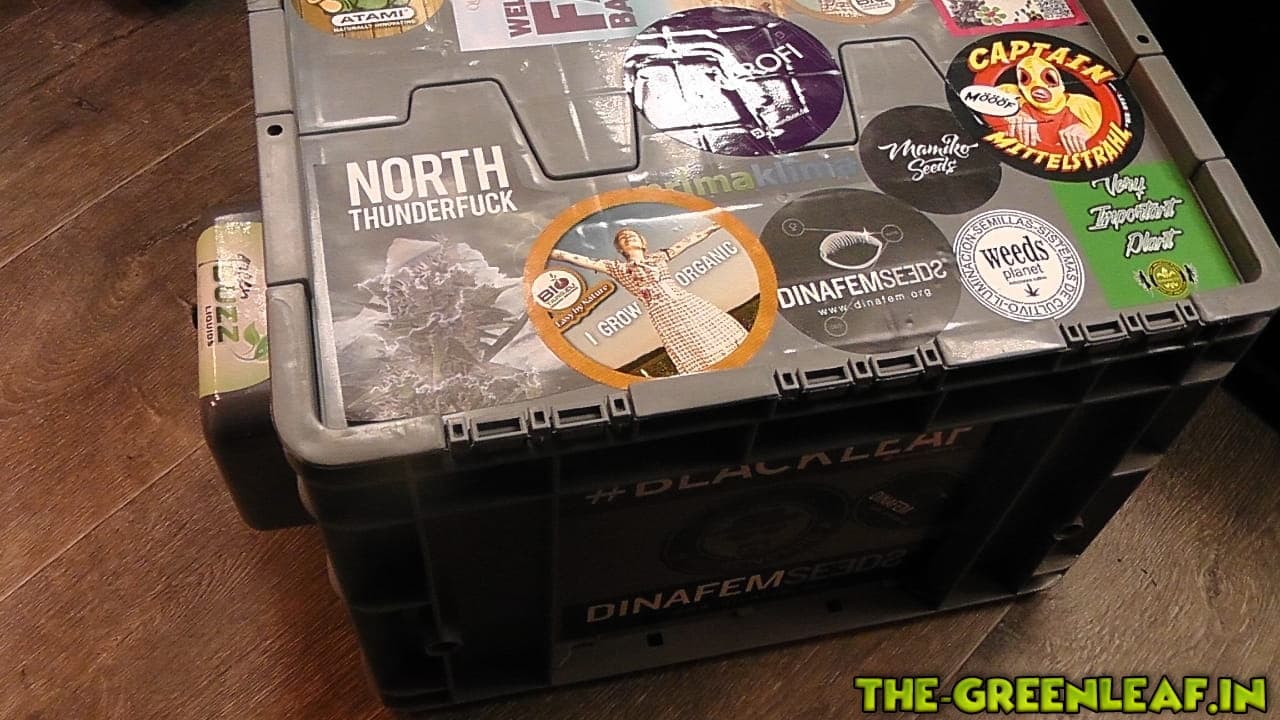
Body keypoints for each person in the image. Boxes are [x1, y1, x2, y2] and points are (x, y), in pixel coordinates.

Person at [550, 224, 749, 374]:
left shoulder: (659, 257)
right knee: (694, 345)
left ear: (643, 243)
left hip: (687, 302)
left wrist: (715, 225)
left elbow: (689, 240)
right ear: (620, 249)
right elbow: (576, 259)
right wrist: (546, 250)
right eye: (622, 238)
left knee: (719, 332)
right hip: (664, 313)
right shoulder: (616, 268)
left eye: (632, 235)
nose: (627, 237)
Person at [999, 55, 1102, 155]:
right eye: (1025, 79)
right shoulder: (1009, 93)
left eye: (1049, 78)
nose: (1038, 86)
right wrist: (1010, 111)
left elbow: (1108, 129)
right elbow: (993, 97)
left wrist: (1091, 132)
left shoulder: (1085, 105)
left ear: (1061, 84)